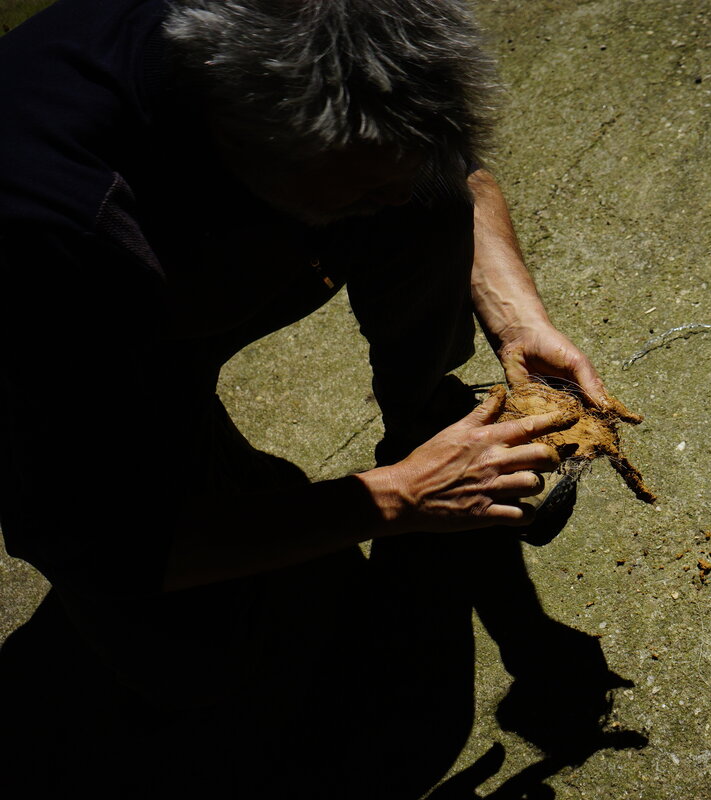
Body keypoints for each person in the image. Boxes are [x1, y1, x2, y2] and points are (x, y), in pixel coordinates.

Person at [0, 0, 626, 793]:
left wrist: (517, 318)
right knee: (195, 653)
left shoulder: (326, 59)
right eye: (365, 192)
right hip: (79, 345)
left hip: (202, 248)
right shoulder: (55, 232)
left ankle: (428, 428)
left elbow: (453, 175)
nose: (393, 202)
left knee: (420, 197)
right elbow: (98, 541)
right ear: (250, 146)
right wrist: (394, 500)